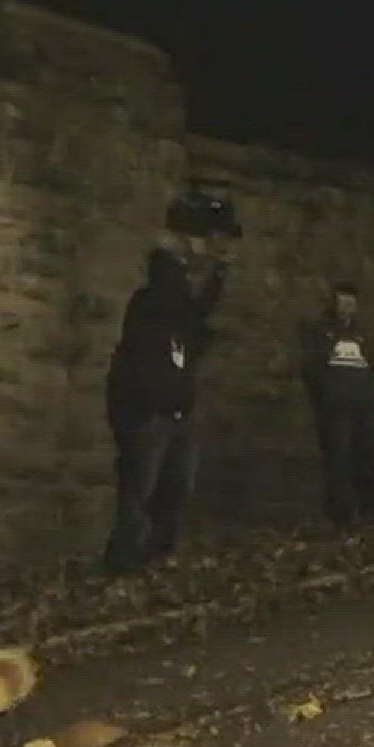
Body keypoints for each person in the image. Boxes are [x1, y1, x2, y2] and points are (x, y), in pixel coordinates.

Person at [102, 232, 229, 574]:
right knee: (139, 494)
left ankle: (154, 561)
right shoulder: (149, 304)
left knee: (173, 493)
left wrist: (217, 272)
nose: (186, 278)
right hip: (151, 417)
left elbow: (198, 314)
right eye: (181, 270)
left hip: (176, 415)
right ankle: (122, 565)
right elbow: (184, 310)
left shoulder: (177, 315)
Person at [298, 282, 374, 528]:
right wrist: (327, 395)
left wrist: (371, 397)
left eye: (352, 301)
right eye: (343, 300)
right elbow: (313, 368)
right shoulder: (322, 332)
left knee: (367, 456)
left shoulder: (363, 335)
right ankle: (342, 514)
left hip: (363, 406)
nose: (348, 306)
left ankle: (371, 511)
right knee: (339, 459)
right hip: (336, 407)